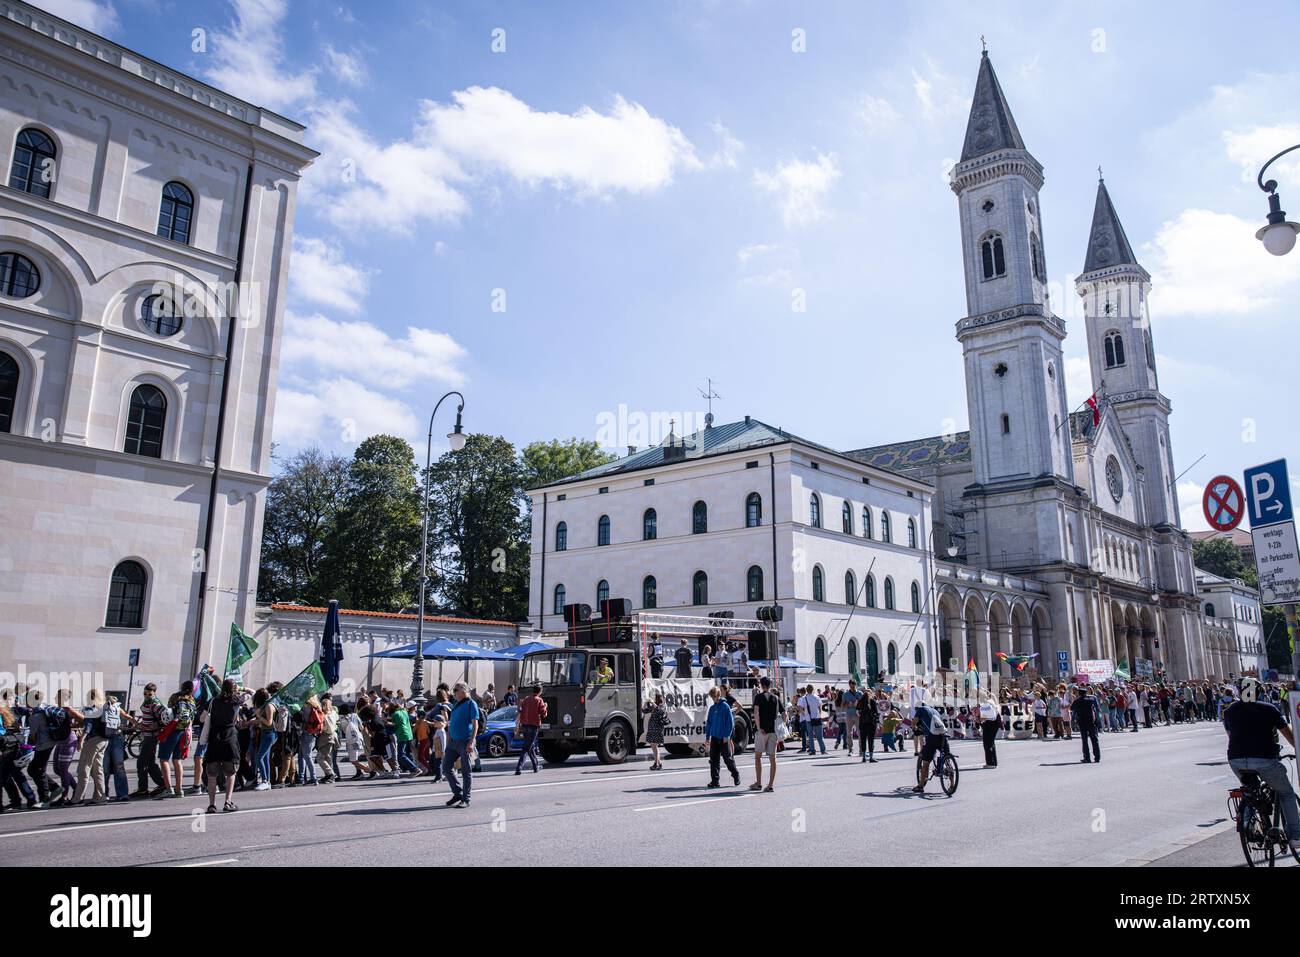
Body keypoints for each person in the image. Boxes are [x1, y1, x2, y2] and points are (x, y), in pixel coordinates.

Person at [1225, 677, 1300, 844]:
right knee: (1286, 792)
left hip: (1236, 760)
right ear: (1258, 691)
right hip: (1264, 759)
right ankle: (1295, 835)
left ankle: (1247, 823)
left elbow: (1231, 736)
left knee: (1249, 790)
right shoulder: (1268, 709)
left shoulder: (1229, 711)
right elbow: (1288, 735)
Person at [204, 679, 243, 813]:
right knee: (231, 772)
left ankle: (212, 804)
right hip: (230, 738)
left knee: (212, 775)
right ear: (234, 689)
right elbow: (252, 693)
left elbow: (203, 718)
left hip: (215, 738)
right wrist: (241, 688)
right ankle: (228, 802)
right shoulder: (236, 701)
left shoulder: (213, 701)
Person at [442, 682, 479, 808]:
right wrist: (448, 738)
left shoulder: (471, 704)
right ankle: (458, 793)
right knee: (446, 767)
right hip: (453, 742)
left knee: (466, 770)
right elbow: (451, 722)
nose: (454, 693)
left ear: (463, 691)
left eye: (456, 690)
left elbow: (475, 724)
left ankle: (466, 799)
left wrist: (471, 741)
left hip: (465, 741)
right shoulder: (456, 704)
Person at [156, 682, 196, 799]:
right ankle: (179, 789)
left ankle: (169, 789)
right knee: (177, 760)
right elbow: (193, 717)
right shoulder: (192, 701)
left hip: (172, 730)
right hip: (184, 732)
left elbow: (167, 712)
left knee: (164, 759)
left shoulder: (175, 697)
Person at [705, 687, 739, 788]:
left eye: (714, 697)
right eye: (712, 697)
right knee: (713, 760)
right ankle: (715, 781)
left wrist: (726, 735)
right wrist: (707, 737)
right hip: (714, 737)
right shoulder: (712, 708)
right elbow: (709, 723)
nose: (713, 699)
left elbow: (730, 723)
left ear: (718, 695)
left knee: (727, 759)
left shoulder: (725, 706)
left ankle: (736, 774)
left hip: (724, 738)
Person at [911, 701, 950, 793]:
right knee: (947, 758)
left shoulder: (920, 710)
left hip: (932, 737)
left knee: (926, 762)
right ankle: (952, 784)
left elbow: (914, 722)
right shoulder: (935, 711)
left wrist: (914, 727)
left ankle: (920, 786)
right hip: (943, 735)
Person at [515, 685, 548, 775]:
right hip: (534, 725)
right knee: (527, 747)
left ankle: (535, 766)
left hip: (525, 725)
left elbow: (521, 710)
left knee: (529, 746)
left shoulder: (526, 699)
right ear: (540, 692)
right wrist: (545, 706)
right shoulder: (539, 700)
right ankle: (519, 767)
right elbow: (543, 714)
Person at [251, 689, 277, 791]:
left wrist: (258, 716)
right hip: (265, 733)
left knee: (259, 757)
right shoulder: (266, 705)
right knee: (265, 758)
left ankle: (265, 780)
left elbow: (269, 722)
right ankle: (267, 781)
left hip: (270, 734)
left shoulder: (269, 706)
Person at [1072, 686, 1101, 764]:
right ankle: (1097, 757)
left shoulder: (1077, 701)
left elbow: (1072, 708)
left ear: (1079, 693)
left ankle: (1087, 758)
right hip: (1091, 721)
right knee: (1094, 739)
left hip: (1082, 722)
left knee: (1085, 741)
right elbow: (1095, 706)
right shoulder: (1091, 699)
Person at [643, 692, 668, 772]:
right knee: (653, 746)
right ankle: (659, 763)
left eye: (654, 698)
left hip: (657, 728)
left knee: (655, 745)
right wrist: (645, 702)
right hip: (652, 728)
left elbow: (659, 710)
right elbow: (644, 711)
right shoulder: (653, 707)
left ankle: (656, 763)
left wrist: (652, 702)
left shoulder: (662, 706)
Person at [800, 685, 826, 755]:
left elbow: (800, 707)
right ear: (813, 689)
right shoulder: (817, 697)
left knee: (810, 736)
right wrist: (819, 714)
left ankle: (812, 750)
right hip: (817, 718)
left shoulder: (804, 698)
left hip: (809, 719)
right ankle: (823, 750)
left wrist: (804, 714)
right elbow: (820, 707)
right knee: (819, 736)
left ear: (806, 690)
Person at [978, 694, 1002, 768]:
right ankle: (993, 762)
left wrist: (979, 719)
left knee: (987, 743)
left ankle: (990, 763)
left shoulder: (986, 705)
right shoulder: (990, 702)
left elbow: (991, 716)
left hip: (991, 724)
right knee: (991, 743)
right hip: (993, 723)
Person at [856, 685, 878, 763]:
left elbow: (857, 712)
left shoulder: (860, 702)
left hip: (862, 723)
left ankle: (864, 757)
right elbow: (876, 713)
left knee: (863, 740)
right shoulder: (873, 701)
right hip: (871, 723)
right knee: (871, 740)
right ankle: (871, 757)